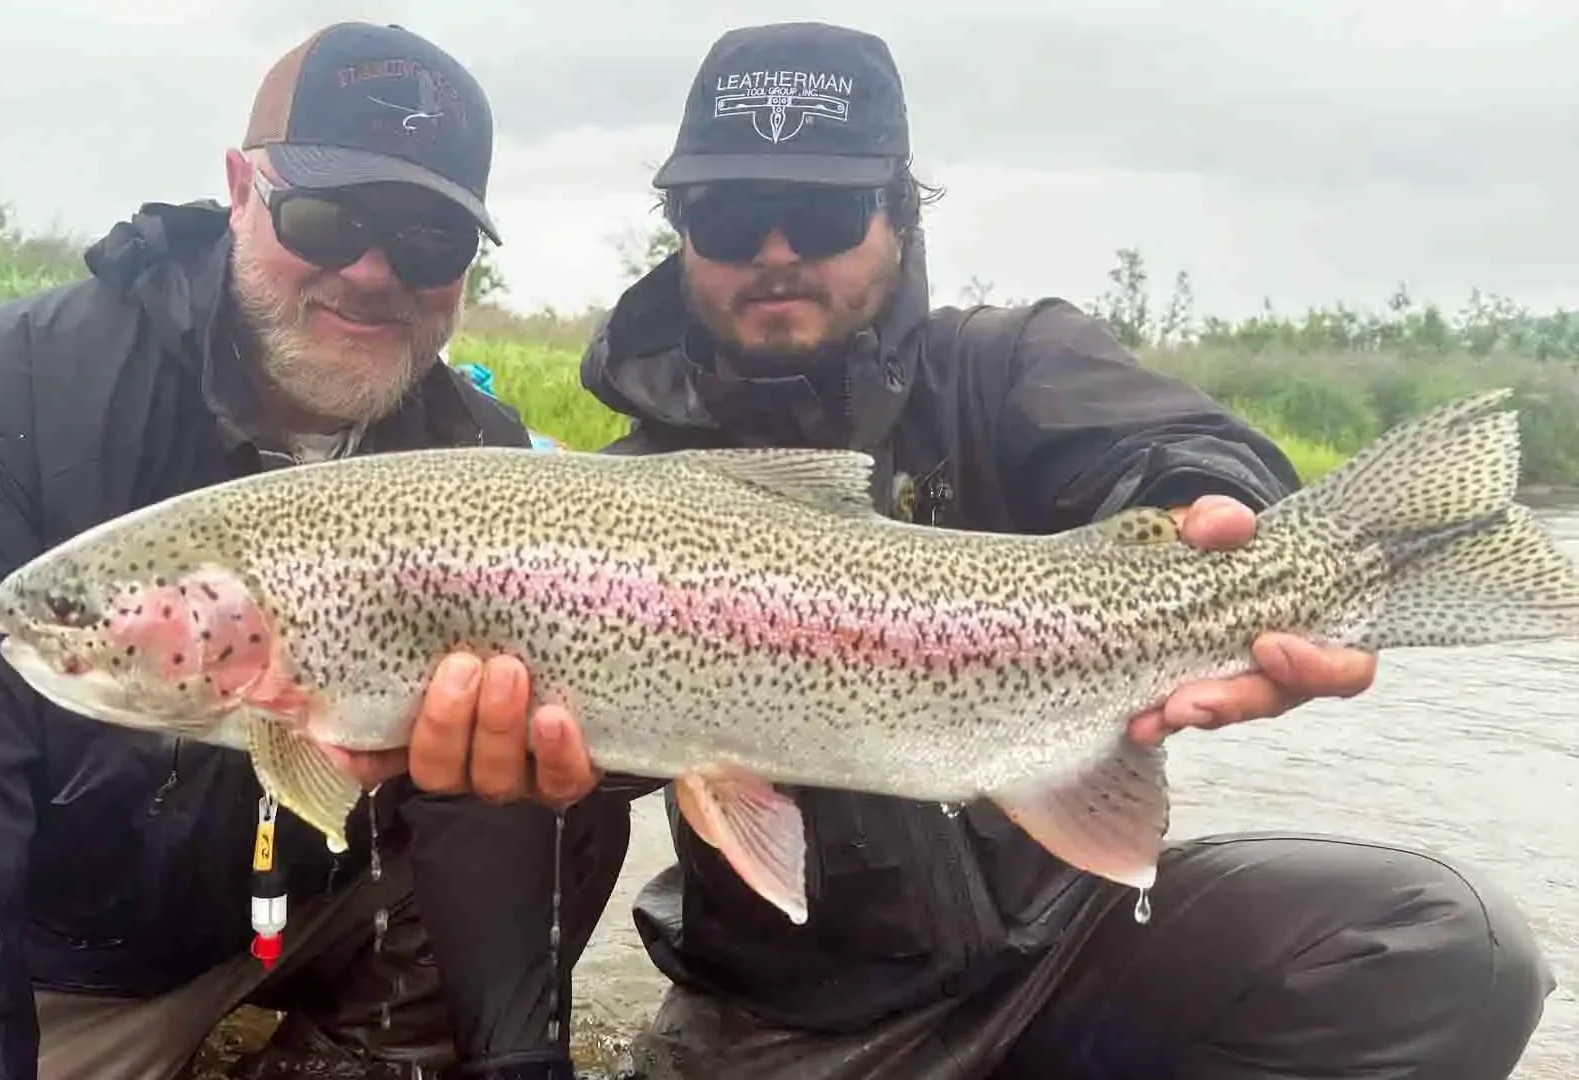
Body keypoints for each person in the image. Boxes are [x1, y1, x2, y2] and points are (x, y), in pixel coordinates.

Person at [530, 20, 1552, 1080]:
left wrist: (1220, 513)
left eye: (824, 211)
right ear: (682, 227)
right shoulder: (619, 496)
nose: (777, 251)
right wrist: (554, 768)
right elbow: (586, 776)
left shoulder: (1011, 365)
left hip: (1077, 949)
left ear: (896, 213)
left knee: (1450, 946)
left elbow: (1182, 450)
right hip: (784, 1018)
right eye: (733, 213)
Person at [0, 22, 629, 1080]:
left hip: (331, 915)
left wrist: (518, 1058)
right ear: (242, 187)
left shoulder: (477, 457)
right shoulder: (13, 399)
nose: (374, 271)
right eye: (328, 219)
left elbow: (505, 827)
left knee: (576, 781)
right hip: (91, 966)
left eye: (430, 241)